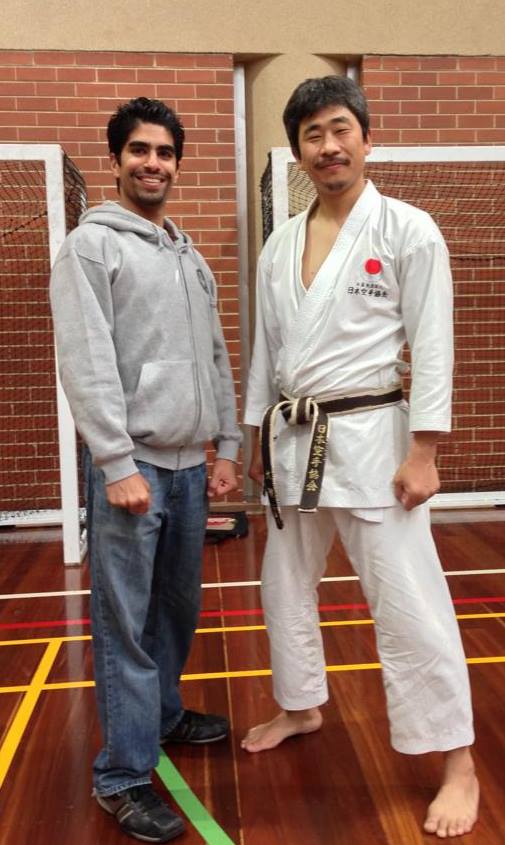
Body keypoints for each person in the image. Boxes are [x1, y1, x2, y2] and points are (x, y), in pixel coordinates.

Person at [242, 76, 479, 840]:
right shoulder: (279, 243)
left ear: (366, 139)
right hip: (293, 440)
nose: (328, 146)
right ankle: (300, 703)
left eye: (339, 128)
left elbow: (433, 344)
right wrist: (254, 435)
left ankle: (457, 759)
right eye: (312, 134)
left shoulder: (407, 229)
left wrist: (425, 450)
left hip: (376, 441)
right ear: (297, 151)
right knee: (283, 586)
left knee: (408, 603)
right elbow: (267, 350)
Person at [50, 97, 241, 843]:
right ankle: (123, 773)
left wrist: (227, 445)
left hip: (190, 470)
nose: (152, 162)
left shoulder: (187, 255)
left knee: (175, 612)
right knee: (124, 623)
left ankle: (161, 714)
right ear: (116, 160)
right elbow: (87, 358)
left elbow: (216, 355)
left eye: (164, 151)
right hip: (132, 470)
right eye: (139, 150)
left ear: (176, 163)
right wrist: (115, 460)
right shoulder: (91, 247)